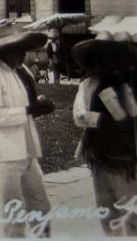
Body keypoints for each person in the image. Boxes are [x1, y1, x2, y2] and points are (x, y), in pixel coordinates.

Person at [0, 24, 55, 238]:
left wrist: (37, 108)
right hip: (6, 153)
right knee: (14, 211)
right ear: (4, 51)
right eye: (18, 49)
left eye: (23, 49)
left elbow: (23, 108)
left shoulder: (18, 73)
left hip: (26, 150)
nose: (23, 54)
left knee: (40, 204)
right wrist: (30, 109)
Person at [72, 31, 137, 236]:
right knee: (106, 209)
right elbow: (78, 116)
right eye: (98, 59)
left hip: (126, 158)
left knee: (131, 211)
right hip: (98, 155)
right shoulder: (87, 85)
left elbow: (133, 115)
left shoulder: (128, 83)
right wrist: (101, 119)